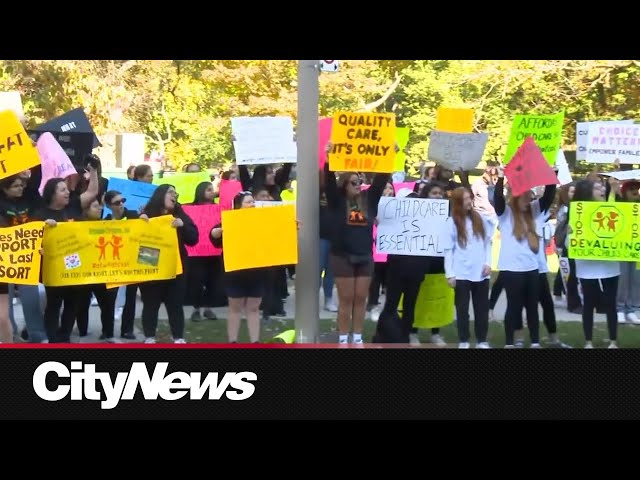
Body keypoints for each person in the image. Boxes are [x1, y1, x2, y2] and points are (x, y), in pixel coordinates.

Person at [324, 148, 390, 345]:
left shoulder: (368, 200)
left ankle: (358, 337)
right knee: (346, 298)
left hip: (364, 256)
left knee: (361, 298)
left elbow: (380, 181)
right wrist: (329, 158)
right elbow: (328, 181)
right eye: (354, 182)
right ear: (344, 185)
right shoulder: (337, 201)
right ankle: (343, 338)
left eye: (360, 182)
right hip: (342, 256)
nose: (358, 185)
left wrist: (389, 155)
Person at [494, 166, 557, 348]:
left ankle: (535, 342)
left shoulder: (534, 210)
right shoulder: (505, 214)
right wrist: (500, 177)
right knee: (513, 308)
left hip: (531, 268)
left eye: (529, 197)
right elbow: (497, 199)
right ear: (515, 197)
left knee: (532, 307)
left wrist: (552, 174)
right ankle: (509, 343)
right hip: (511, 269)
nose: (528, 200)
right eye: (524, 197)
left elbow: (548, 196)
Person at [35, 167, 99, 342]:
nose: (67, 193)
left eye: (66, 189)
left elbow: (92, 191)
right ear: (52, 193)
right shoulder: (40, 215)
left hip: (75, 267)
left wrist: (93, 172)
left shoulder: (74, 206)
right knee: (54, 305)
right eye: (62, 190)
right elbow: (34, 242)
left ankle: (65, 337)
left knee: (73, 304)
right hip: (53, 268)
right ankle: (52, 338)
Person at [139, 185, 198, 343]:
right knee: (151, 303)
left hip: (175, 266)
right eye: (171, 192)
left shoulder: (179, 214)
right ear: (160, 195)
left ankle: (178, 337)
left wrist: (183, 226)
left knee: (175, 304)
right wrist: (139, 224)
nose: (175, 195)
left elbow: (194, 238)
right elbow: (132, 240)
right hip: (150, 264)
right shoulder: (146, 214)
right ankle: (149, 336)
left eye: (176, 193)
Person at [568, 179, 620, 348]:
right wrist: (571, 235)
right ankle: (588, 342)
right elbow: (570, 244)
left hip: (609, 267)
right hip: (587, 269)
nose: (601, 190)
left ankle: (613, 341)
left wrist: (613, 189)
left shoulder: (610, 208)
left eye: (601, 187)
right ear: (588, 192)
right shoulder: (577, 213)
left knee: (611, 304)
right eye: (597, 188)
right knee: (588, 305)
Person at [210, 191, 268, 343]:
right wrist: (215, 233)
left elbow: (277, 235)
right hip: (235, 273)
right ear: (238, 206)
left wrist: (291, 227)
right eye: (248, 202)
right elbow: (215, 237)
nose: (252, 205)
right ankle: (233, 341)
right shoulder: (229, 221)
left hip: (257, 272)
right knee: (235, 308)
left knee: (254, 308)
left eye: (253, 202)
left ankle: (255, 342)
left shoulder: (263, 220)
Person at [372, 189, 428, 343]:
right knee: (391, 305)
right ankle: (381, 335)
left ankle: (405, 336)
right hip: (397, 269)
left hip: (416, 270)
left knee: (410, 306)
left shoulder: (425, 222)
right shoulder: (392, 221)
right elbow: (381, 242)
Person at [0, 171, 47, 343]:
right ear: (5, 189)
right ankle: (10, 335)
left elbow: (35, 183)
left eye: (22, 185)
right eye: (16, 186)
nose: (21, 188)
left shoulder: (30, 197)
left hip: (27, 257)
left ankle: (37, 334)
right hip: (5, 259)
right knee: (7, 300)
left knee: (31, 297)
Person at [444, 187, 493, 348]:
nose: (469, 201)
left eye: (469, 198)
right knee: (462, 309)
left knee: (481, 309)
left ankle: (481, 340)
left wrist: (488, 263)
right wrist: (450, 274)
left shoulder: (480, 219)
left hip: (480, 272)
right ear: (458, 202)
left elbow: (488, 243)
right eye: (465, 199)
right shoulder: (452, 222)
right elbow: (448, 249)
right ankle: (464, 340)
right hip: (461, 273)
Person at [74, 199, 121, 342]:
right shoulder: (76, 225)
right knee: (82, 303)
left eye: (100, 205)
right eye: (95, 206)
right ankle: (82, 330)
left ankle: (108, 333)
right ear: (86, 209)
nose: (100, 208)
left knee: (107, 303)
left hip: (103, 272)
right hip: (84, 272)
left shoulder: (106, 223)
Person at [410, 181, 450, 346]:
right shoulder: (415, 214)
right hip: (420, 261)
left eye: (440, 194)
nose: (438, 196)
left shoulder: (448, 214)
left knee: (438, 297)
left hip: (440, 262)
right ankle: (413, 332)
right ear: (425, 195)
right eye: (434, 193)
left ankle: (435, 333)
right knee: (417, 297)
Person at [103, 190, 145, 339]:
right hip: (112, 265)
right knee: (109, 299)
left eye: (123, 200)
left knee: (130, 297)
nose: (121, 204)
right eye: (117, 202)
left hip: (131, 263)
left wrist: (144, 217)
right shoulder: (105, 222)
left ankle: (127, 330)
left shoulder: (133, 215)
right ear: (108, 205)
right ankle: (107, 331)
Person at [186, 181, 218, 322]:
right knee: (197, 280)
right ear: (200, 192)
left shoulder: (218, 209)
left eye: (212, 189)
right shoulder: (190, 208)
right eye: (208, 190)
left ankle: (208, 308)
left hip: (214, 251)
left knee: (212, 280)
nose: (212, 192)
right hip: (196, 252)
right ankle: (196, 309)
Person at [552, 183, 582, 314]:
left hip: (574, 245)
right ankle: (563, 295)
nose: (574, 194)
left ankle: (559, 292)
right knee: (566, 271)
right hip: (564, 244)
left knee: (565, 270)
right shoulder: (565, 209)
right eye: (571, 192)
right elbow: (560, 228)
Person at [615, 179, 640, 324]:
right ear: (625, 191)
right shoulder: (619, 205)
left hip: (637, 249)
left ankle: (631, 309)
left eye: (637, 188)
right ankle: (620, 309)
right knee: (622, 279)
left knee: (636, 279)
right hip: (623, 248)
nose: (635, 191)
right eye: (631, 188)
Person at [367, 181, 395, 311]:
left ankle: (389, 304)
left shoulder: (398, 206)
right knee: (375, 276)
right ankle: (372, 302)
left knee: (390, 277)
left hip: (391, 247)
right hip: (375, 247)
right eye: (385, 188)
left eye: (390, 188)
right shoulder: (372, 206)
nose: (388, 190)